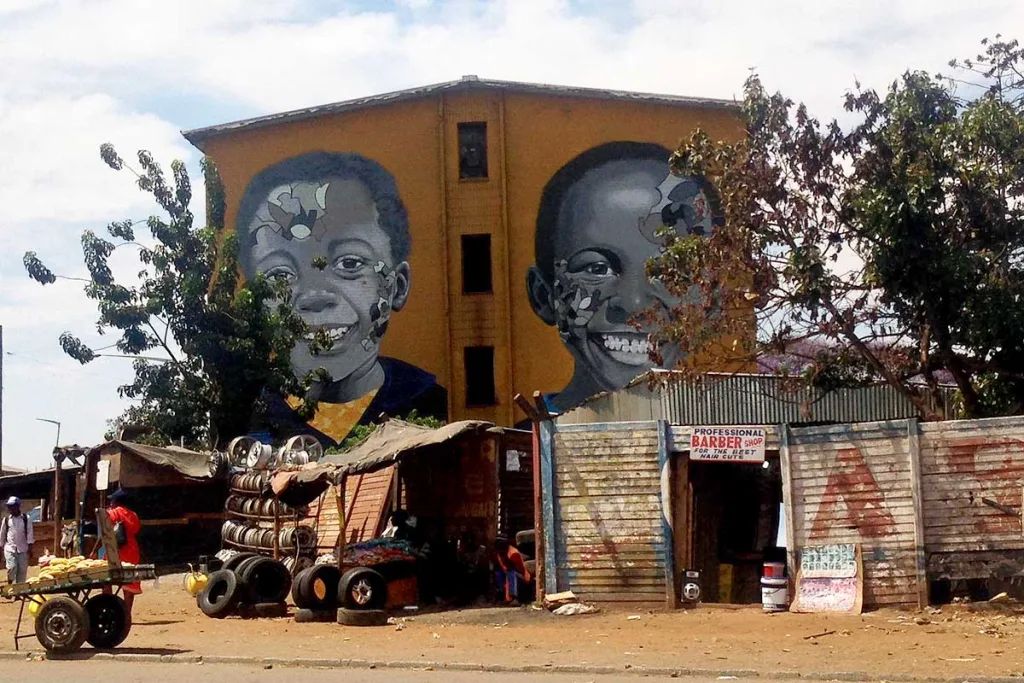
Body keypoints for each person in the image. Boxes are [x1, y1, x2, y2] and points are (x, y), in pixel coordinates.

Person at [236, 151, 447, 447]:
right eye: (280, 275)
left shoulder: (429, 405)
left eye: (349, 264)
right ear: (255, 303)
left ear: (396, 287)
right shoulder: (247, 414)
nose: (316, 296)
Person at [527, 141, 723, 414]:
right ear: (542, 295)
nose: (634, 304)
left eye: (671, 273)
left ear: (713, 298)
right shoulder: (520, 450)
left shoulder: (726, 444)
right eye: (597, 269)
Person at [105, 488, 142, 621]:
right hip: (132, 551)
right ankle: (126, 615)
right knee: (129, 586)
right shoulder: (133, 515)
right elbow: (136, 529)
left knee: (106, 580)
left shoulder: (113, 513)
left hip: (115, 551)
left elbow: (105, 527)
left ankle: (108, 610)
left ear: (116, 502)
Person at [1, 496, 33, 585]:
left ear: (18, 506)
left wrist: (30, 547)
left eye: (12, 506)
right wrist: (0, 547)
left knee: (22, 571)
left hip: (23, 548)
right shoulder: (7, 520)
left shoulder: (26, 519)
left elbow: (30, 533)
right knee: (12, 568)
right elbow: (2, 534)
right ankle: (10, 584)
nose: (10, 509)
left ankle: (19, 591)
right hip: (10, 548)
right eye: (9, 507)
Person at [492, 536, 532, 606]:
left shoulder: (513, 554)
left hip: (522, 578)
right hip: (509, 576)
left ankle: (514, 598)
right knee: (498, 573)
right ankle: (502, 597)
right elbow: (504, 568)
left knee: (511, 572)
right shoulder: (500, 554)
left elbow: (520, 570)